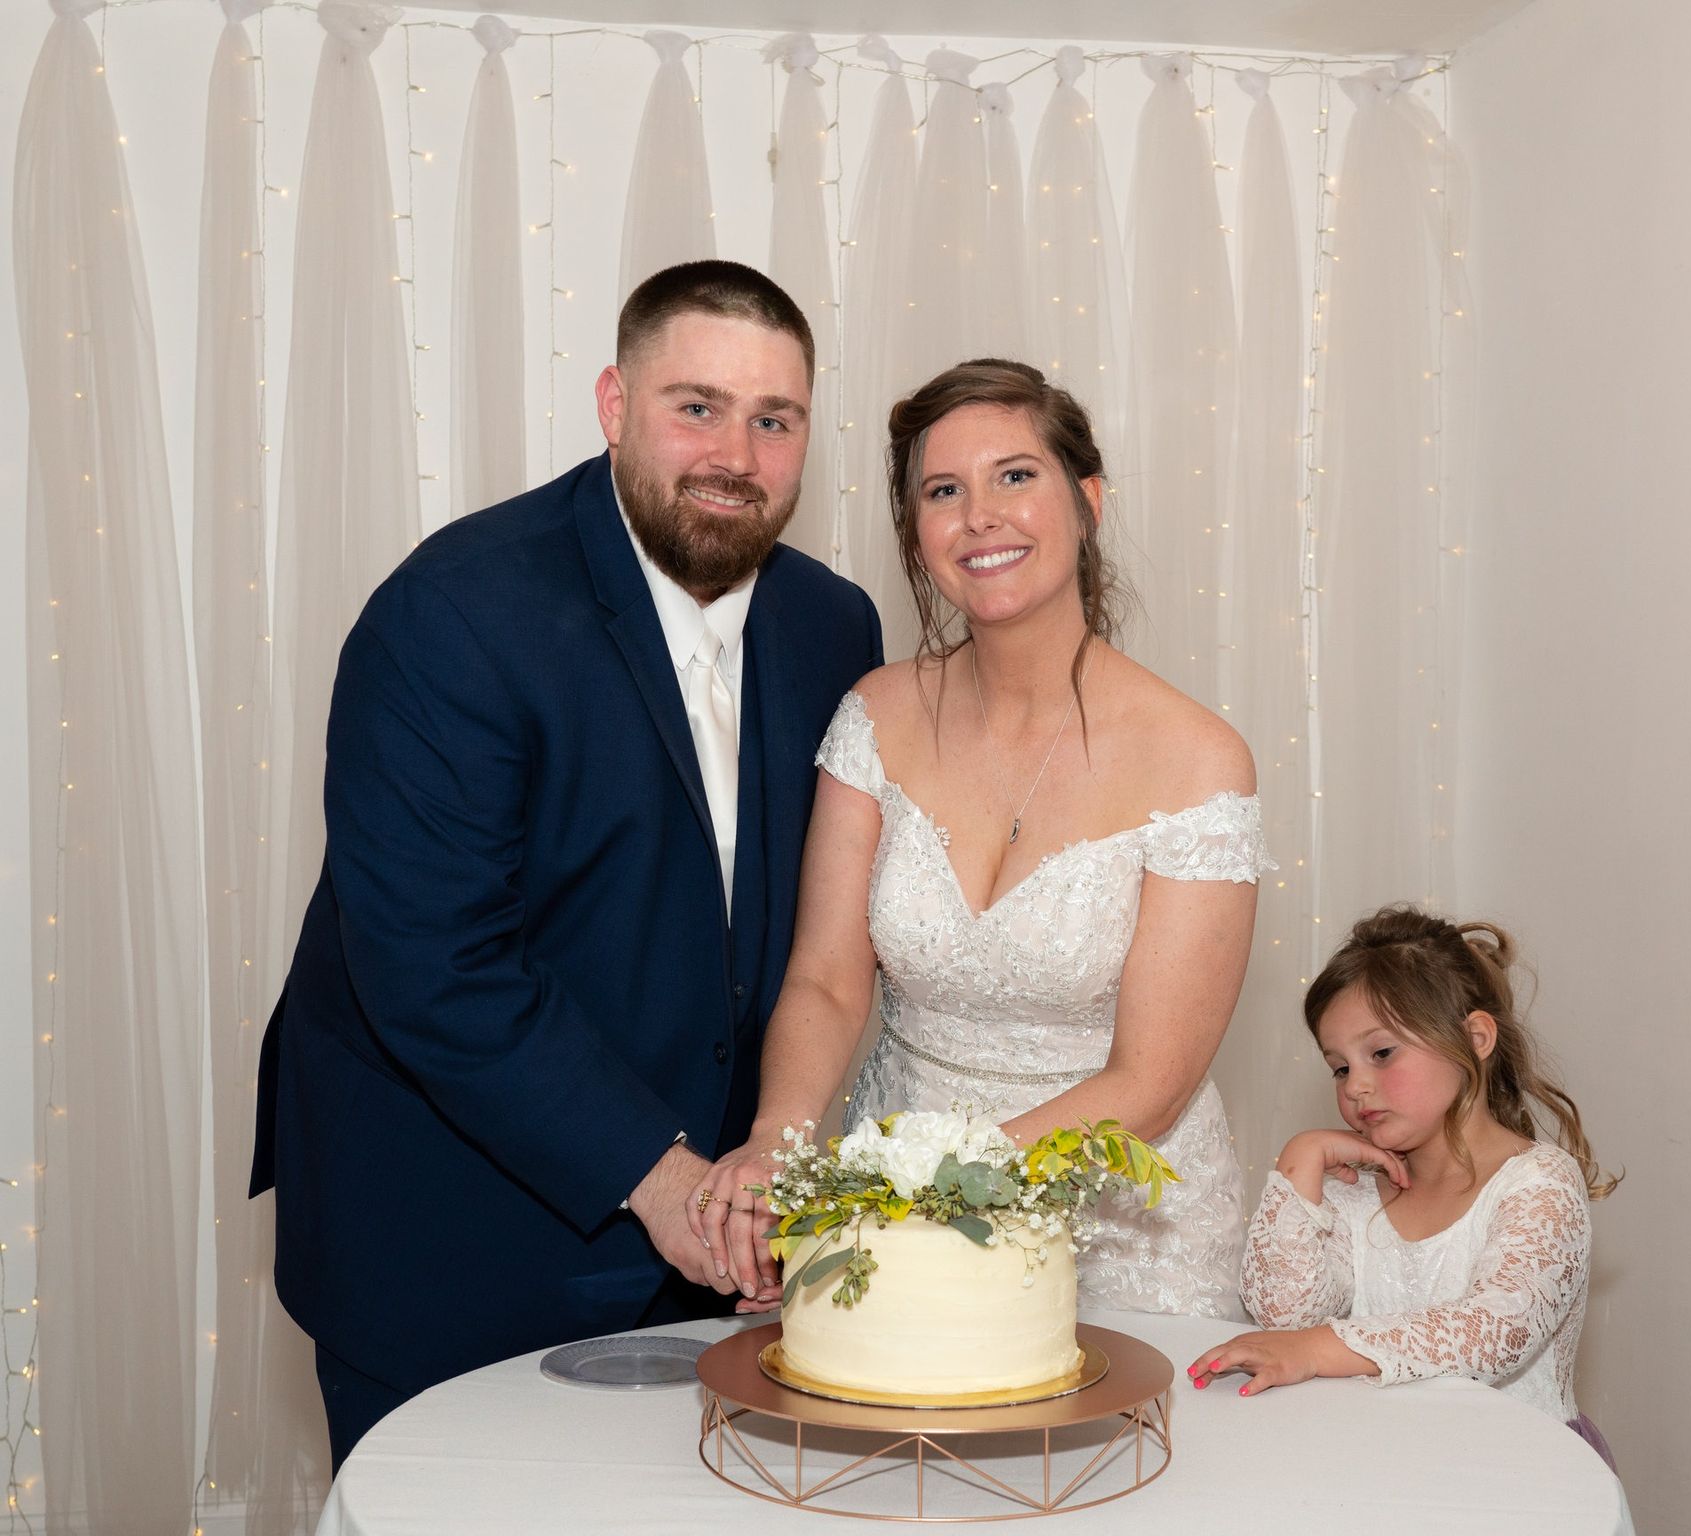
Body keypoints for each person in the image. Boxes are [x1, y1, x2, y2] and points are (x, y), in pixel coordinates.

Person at [248, 260, 883, 1469]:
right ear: (612, 403)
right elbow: (433, 964)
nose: (733, 454)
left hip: (723, 1258)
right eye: (694, 405)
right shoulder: (455, 611)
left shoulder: (834, 624)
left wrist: (753, 1171)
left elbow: (805, 931)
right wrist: (663, 1182)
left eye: (774, 418)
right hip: (449, 1232)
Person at [700, 359, 1269, 1320]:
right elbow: (827, 980)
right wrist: (778, 1143)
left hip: (1118, 1230)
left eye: (1016, 476)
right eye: (943, 491)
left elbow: (1153, 1083)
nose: (980, 517)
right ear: (916, 534)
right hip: (885, 1217)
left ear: (1085, 501)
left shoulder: (1198, 760)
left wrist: (915, 1197)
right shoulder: (875, 717)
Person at [1187, 906, 1619, 1470]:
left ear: (1475, 1037)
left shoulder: (1538, 1183)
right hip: (1386, 1465)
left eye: (1382, 1053)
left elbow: (1495, 1332)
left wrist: (1316, 1349)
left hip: (1516, 1472)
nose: (1357, 1086)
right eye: (1339, 1068)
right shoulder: (1356, 1192)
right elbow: (1285, 1319)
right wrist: (1299, 1163)